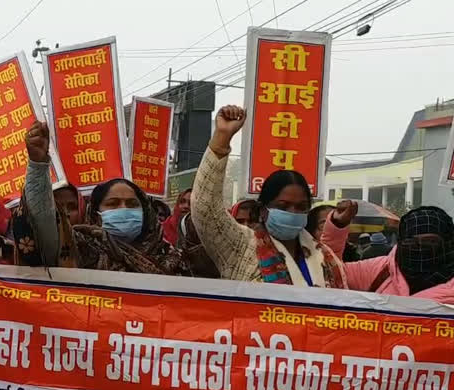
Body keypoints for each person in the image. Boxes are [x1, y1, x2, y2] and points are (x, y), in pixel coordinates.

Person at [191, 105, 354, 287]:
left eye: (301, 207)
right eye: (283, 206)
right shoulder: (242, 245)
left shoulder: (325, 257)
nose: (292, 213)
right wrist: (222, 138)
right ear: (263, 210)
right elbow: (205, 209)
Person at [14, 121, 206, 276]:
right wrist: (38, 166)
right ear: (96, 213)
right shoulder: (76, 249)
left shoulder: (171, 259)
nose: (123, 209)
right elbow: (43, 221)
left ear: (146, 212)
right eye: (112, 204)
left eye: (132, 204)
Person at [322, 206, 454, 300]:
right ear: (401, 242)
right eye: (410, 242)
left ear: (448, 242)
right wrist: (336, 227)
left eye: (430, 241)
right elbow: (329, 272)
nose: (419, 248)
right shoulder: (381, 270)